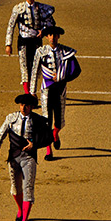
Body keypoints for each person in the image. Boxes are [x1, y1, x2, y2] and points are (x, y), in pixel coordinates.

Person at [0, 94, 50, 221]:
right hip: (14, 158)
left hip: (29, 158)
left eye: (26, 105)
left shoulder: (38, 121)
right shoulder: (11, 118)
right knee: (16, 189)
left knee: (28, 189)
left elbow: (48, 137)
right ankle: (20, 209)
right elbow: (0, 136)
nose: (23, 108)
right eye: (22, 105)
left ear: (31, 107)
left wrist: (35, 143)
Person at [30, 25, 81, 161]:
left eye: (55, 35)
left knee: (59, 120)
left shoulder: (65, 51)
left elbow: (77, 70)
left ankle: (55, 134)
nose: (52, 37)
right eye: (50, 35)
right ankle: (48, 150)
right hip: (46, 89)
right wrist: (32, 92)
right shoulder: (40, 52)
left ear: (58, 36)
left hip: (60, 89)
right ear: (47, 37)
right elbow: (35, 72)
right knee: (47, 119)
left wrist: (63, 77)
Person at [5, 0, 56, 94]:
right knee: (24, 68)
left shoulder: (42, 8)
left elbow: (51, 23)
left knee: (35, 67)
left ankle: (32, 92)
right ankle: (28, 93)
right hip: (23, 41)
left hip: (36, 41)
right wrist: (8, 44)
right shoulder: (18, 8)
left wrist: (44, 31)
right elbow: (11, 26)